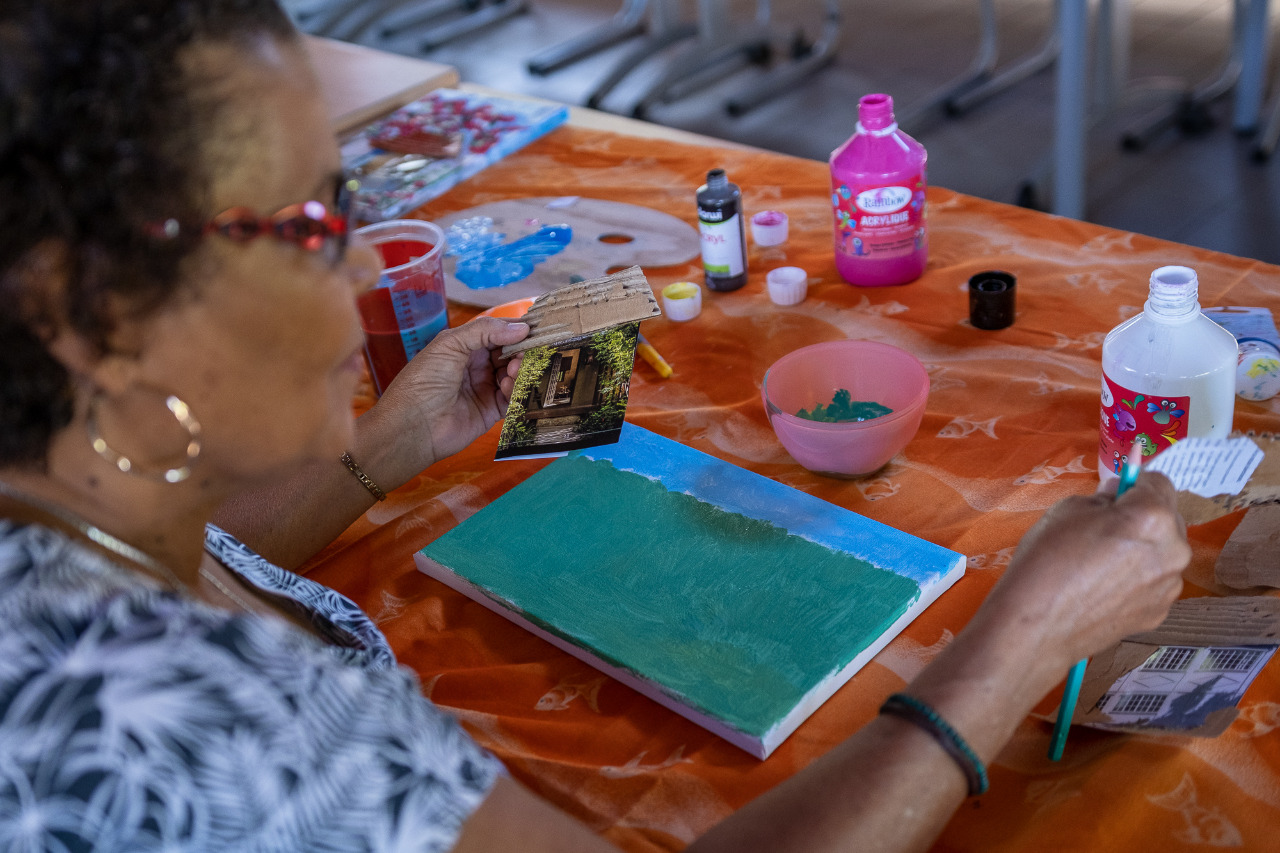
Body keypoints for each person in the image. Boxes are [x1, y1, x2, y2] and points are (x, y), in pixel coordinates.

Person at [0, 1, 1191, 850]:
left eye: (351, 200)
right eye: (311, 227)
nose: (363, 258)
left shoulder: (65, 519)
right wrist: (1019, 643)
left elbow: (225, 556)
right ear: (88, 310)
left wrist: (383, 449)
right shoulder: (190, 731)